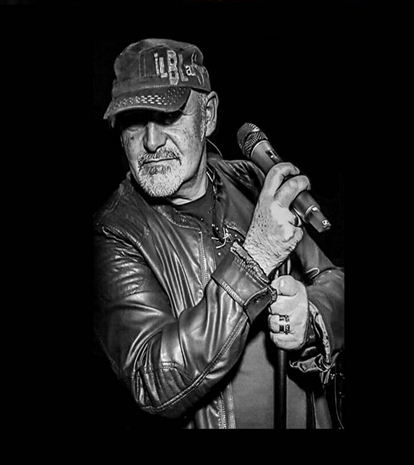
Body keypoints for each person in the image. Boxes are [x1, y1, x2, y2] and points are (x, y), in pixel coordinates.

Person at [93, 38, 344, 429]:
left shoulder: (252, 180)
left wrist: (310, 315)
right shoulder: (115, 231)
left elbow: (333, 279)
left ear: (207, 115)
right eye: (134, 121)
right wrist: (255, 255)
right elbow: (154, 380)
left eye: (169, 116)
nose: (151, 141)